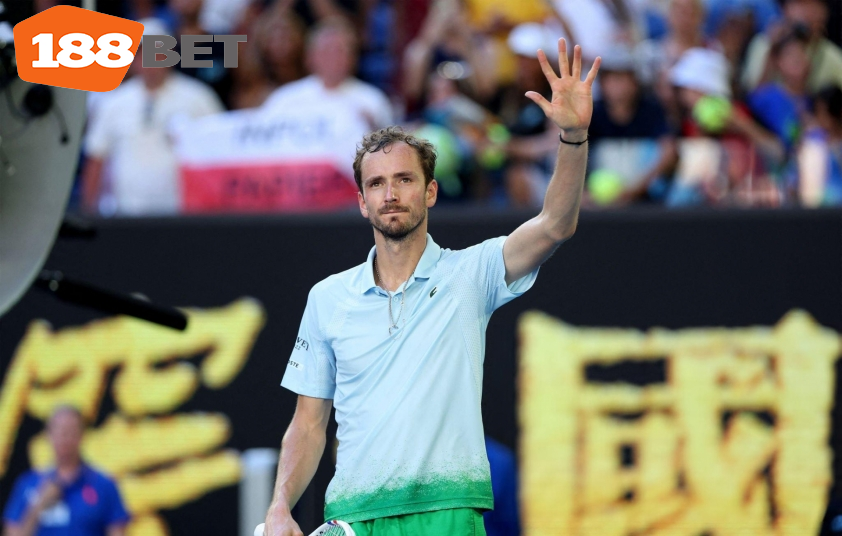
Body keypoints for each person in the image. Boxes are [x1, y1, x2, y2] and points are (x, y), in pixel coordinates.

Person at [263, 38, 600, 536]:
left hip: (449, 513)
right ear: (361, 202)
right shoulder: (327, 297)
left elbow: (554, 224)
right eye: (376, 184)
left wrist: (573, 137)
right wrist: (279, 506)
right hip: (355, 518)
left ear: (431, 191)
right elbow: (309, 423)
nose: (391, 194)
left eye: (404, 179)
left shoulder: (471, 273)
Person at [81, 18, 224, 216]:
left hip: (183, 216)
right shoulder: (113, 103)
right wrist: (89, 213)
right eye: (142, 53)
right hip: (126, 216)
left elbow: (221, 153)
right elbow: (96, 158)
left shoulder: (199, 98)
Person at [2, 406, 129, 536]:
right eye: (60, 431)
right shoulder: (28, 484)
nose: (65, 438)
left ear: (82, 434)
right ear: (48, 435)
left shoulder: (104, 485)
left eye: (71, 431)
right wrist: (38, 507)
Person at [262, 17, 393, 131]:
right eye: (326, 50)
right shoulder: (284, 100)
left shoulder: (372, 100)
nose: (333, 57)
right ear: (310, 57)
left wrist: (374, 128)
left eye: (340, 50)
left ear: (353, 57)